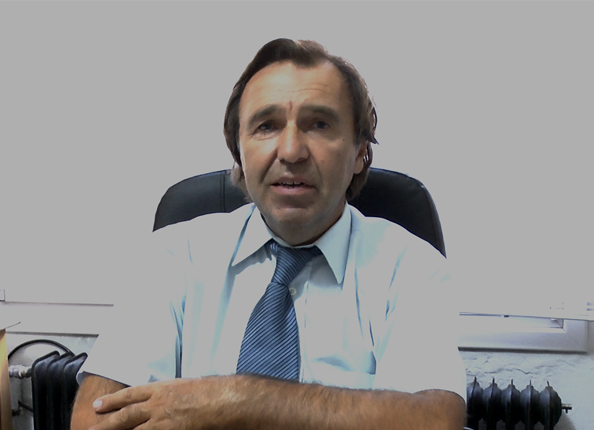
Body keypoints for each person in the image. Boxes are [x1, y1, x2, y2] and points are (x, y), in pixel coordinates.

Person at [71, 38, 467, 430]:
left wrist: (235, 400)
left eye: (319, 125)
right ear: (238, 152)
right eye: (266, 126)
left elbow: (434, 421)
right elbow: (95, 420)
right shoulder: (173, 257)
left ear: (360, 152)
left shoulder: (411, 269)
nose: (291, 151)